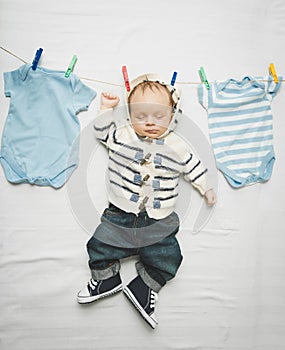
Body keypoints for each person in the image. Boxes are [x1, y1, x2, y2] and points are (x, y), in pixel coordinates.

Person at [77, 73, 217, 329]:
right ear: (130, 116)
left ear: (173, 116)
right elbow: (102, 132)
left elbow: (194, 167)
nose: (149, 122)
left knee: (169, 257)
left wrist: (206, 188)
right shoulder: (123, 137)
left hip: (159, 221)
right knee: (99, 246)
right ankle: (106, 279)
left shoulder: (178, 146)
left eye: (158, 116)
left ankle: (143, 287)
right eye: (140, 117)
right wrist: (107, 110)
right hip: (120, 213)